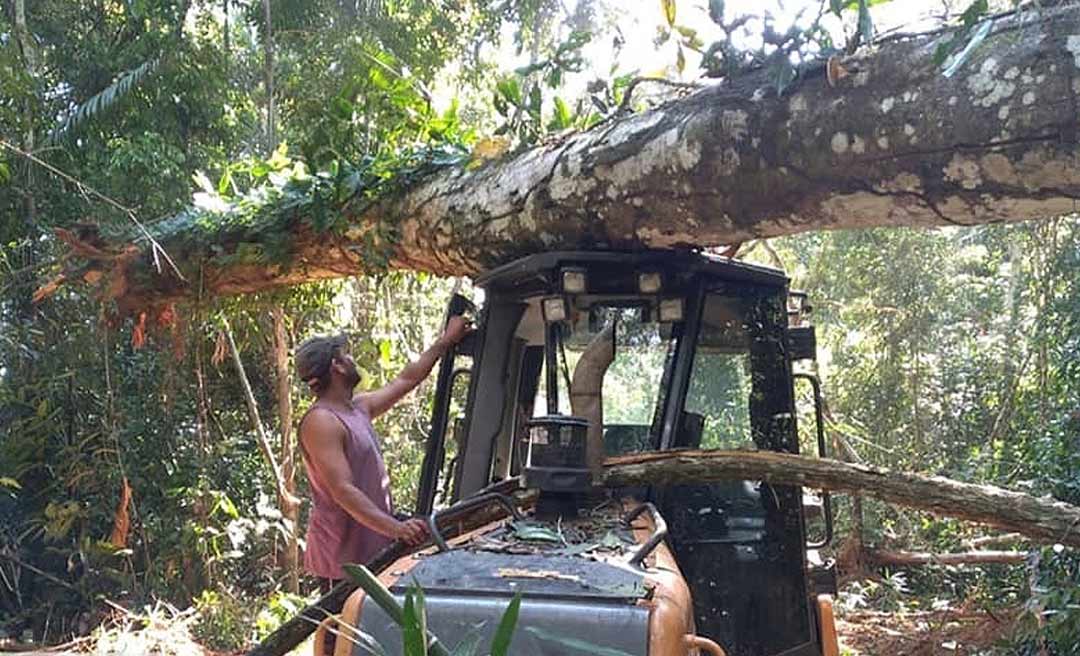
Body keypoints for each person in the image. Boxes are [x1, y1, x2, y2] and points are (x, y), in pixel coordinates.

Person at [294, 316, 471, 592]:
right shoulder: (322, 421)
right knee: (342, 633)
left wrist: (445, 342)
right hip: (342, 562)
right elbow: (342, 490)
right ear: (337, 366)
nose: (352, 359)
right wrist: (396, 528)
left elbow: (407, 378)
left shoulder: (357, 408)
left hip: (372, 553)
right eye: (346, 355)